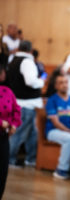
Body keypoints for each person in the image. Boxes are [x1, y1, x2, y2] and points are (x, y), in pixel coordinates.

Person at [7, 40, 44, 167]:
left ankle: (31, 158)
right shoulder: (27, 62)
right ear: (30, 50)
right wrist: (42, 82)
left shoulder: (13, 60)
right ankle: (10, 159)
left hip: (19, 101)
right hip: (26, 104)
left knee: (32, 133)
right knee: (19, 133)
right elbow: (30, 81)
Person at [45, 74, 70, 179]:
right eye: (61, 83)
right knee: (69, 138)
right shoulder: (52, 100)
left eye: (66, 82)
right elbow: (56, 123)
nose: (64, 85)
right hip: (53, 131)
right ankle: (61, 170)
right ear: (56, 86)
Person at [0, 64, 21, 199]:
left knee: (2, 170)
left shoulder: (8, 90)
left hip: (3, 137)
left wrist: (14, 124)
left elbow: (16, 109)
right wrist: (1, 123)